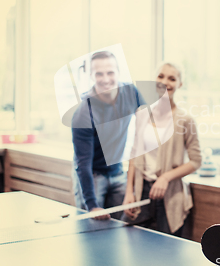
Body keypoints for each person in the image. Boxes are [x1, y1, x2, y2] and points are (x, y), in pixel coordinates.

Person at [122, 62, 201, 236]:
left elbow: (196, 161)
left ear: (179, 84)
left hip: (170, 196)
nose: (165, 82)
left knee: (167, 254)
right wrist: (129, 192)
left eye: (172, 78)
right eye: (161, 76)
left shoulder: (185, 120)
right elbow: (134, 155)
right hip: (141, 192)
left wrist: (165, 177)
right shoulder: (141, 113)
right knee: (132, 248)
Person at [72, 51, 144, 220]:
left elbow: (149, 123)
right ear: (91, 75)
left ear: (118, 72)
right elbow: (83, 164)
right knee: (92, 228)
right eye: (99, 74)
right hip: (93, 175)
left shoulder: (131, 93)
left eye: (110, 72)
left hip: (117, 171)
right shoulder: (83, 113)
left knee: (126, 223)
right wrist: (92, 205)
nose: (105, 79)